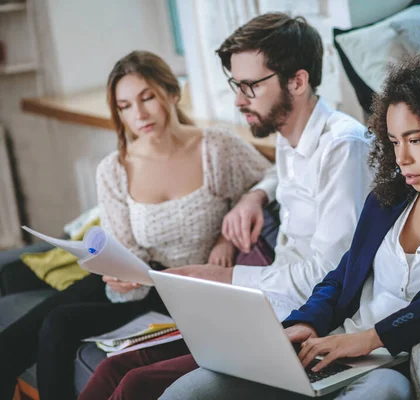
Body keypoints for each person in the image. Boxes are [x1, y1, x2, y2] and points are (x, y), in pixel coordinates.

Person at [159, 53, 420, 399]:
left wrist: (369, 339)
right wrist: (305, 322)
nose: (402, 158)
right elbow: (343, 274)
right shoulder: (390, 197)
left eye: (415, 140)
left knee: (381, 393)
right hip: (334, 343)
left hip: (391, 363)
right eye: (395, 141)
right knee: (193, 389)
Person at [79, 13, 374, 400]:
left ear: (298, 81)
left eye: (250, 86)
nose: (238, 100)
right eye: (236, 85)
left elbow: (333, 273)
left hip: (309, 321)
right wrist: (256, 197)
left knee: (137, 383)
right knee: (116, 365)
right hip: (266, 307)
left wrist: (223, 277)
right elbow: (270, 184)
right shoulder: (288, 138)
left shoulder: (343, 147)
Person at [0, 50, 271, 400]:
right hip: (137, 281)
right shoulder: (114, 168)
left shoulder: (215, 147)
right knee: (13, 343)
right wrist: (117, 270)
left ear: (172, 93)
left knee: (60, 324)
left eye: (148, 98)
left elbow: (275, 176)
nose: (139, 113)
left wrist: (237, 220)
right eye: (125, 105)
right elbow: (124, 246)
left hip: (188, 287)